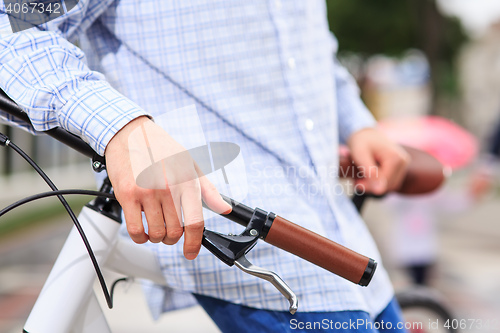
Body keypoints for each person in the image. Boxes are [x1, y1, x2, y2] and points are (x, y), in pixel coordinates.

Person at [0, 1, 410, 332]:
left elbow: (314, 46)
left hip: (344, 240)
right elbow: (10, 24)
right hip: (244, 239)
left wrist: (356, 122)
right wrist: (119, 126)